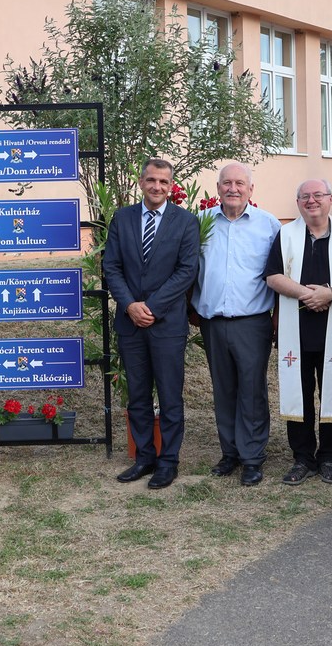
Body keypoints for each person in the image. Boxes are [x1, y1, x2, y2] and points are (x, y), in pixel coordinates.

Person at [104, 158, 200, 489]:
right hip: (130, 323)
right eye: (151, 180)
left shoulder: (185, 222)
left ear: (171, 186)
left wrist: (153, 307)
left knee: (170, 396)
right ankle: (144, 457)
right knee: (138, 395)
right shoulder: (122, 218)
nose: (157, 186)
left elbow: (186, 271)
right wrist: (130, 305)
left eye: (163, 182)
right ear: (141, 182)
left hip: (167, 324)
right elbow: (111, 266)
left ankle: (168, 462)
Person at [266, 179, 332, 485]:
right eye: (305, 196)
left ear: (330, 199)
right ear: (298, 202)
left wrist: (331, 294)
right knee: (298, 394)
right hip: (296, 332)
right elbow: (272, 276)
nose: (312, 201)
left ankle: (329, 457)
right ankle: (303, 457)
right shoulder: (286, 234)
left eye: (318, 195)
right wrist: (307, 294)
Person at [192, 162, 280, 486]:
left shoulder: (269, 225)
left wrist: (278, 319)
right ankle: (230, 453)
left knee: (252, 391)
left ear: (250, 189)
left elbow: (280, 274)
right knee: (223, 389)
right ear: (217, 188)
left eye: (239, 183)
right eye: (226, 183)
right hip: (213, 322)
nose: (233, 188)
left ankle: (252, 457)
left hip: (252, 323)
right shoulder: (200, 223)